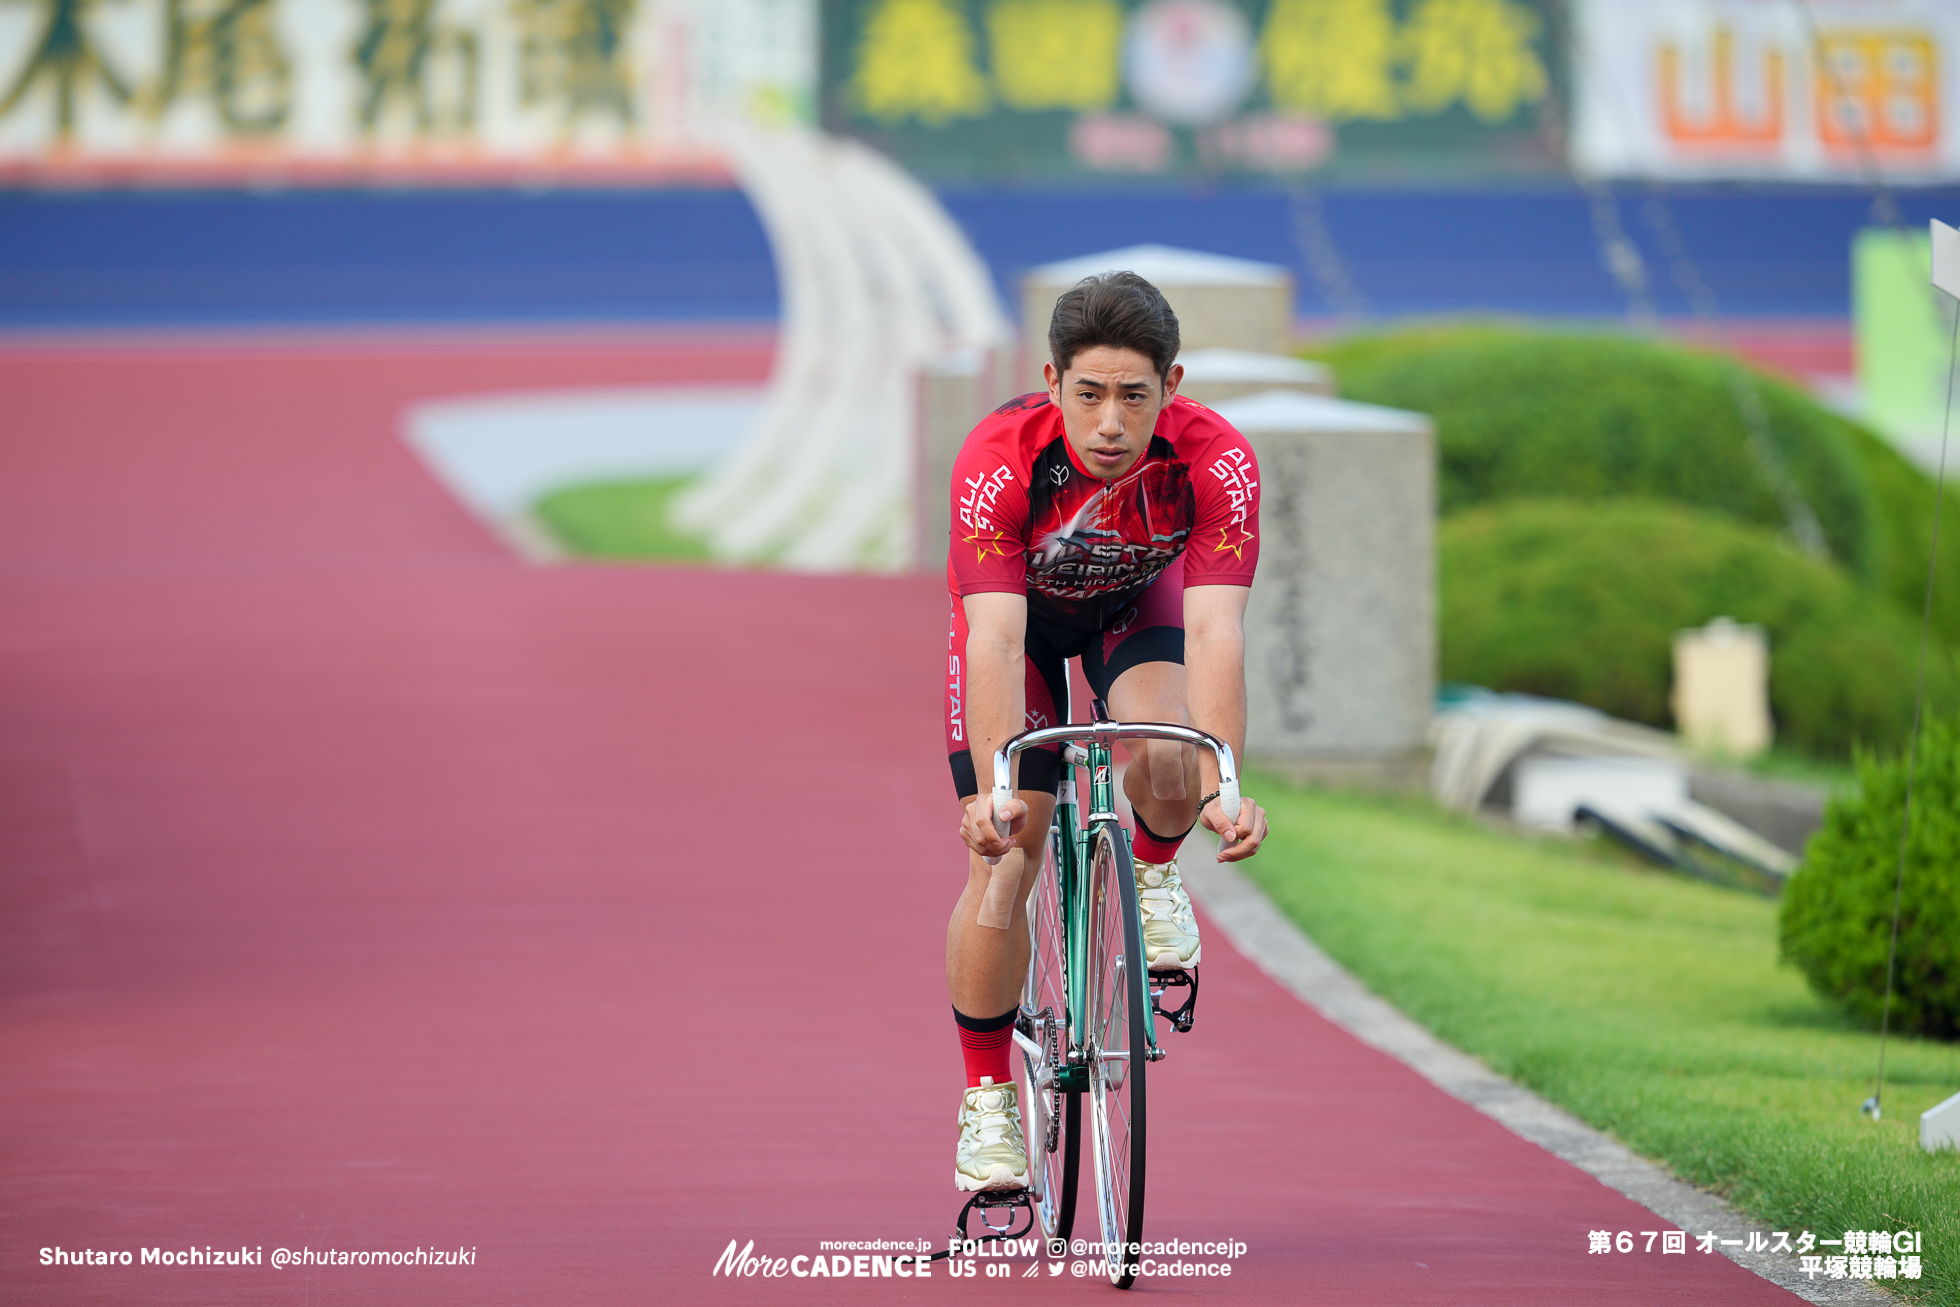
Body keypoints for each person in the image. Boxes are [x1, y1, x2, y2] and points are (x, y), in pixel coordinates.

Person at [942, 270, 1270, 1192]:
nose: (1112, 424)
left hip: (1139, 612)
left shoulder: (1217, 461)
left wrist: (1224, 788)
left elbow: (1213, 631)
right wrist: (996, 792)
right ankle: (987, 1102)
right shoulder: (998, 459)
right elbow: (996, 641)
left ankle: (1157, 876)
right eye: (1088, 395)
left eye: (1135, 395)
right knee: (1007, 860)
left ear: (1174, 385)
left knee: (1170, 746)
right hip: (1024, 635)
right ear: (1051, 384)